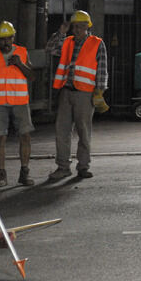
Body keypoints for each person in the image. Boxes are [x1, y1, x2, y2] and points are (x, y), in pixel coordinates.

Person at [46, 10, 107, 181]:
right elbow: (50, 48)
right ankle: (63, 167)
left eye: (80, 26)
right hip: (67, 92)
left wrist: (99, 92)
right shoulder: (67, 42)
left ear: (88, 27)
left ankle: (83, 166)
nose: (77, 29)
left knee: (84, 131)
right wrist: (61, 32)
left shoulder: (97, 43)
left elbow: (102, 69)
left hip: (85, 94)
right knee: (62, 130)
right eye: (75, 26)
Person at [0, 21, 35, 187]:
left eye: (7, 39)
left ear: (13, 37)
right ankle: (1, 175)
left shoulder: (22, 53)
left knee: (25, 136)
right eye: (1, 39)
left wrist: (19, 63)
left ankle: (24, 173)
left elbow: (32, 77)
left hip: (20, 102)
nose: (4, 43)